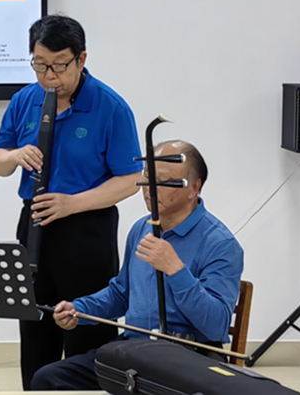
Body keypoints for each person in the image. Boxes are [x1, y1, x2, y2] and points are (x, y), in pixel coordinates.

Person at [0, 14, 143, 389]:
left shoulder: (110, 106)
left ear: (81, 59)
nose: (49, 77)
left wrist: (72, 204)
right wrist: (15, 156)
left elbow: (130, 180)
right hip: (34, 226)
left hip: (87, 228)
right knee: (35, 330)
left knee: (87, 332)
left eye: (59, 66)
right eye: (40, 65)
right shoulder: (25, 99)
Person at [32, 140, 244, 390]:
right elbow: (121, 293)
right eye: (147, 179)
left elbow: (216, 325)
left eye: (163, 181)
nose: (150, 190)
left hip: (190, 355)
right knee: (49, 378)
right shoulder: (142, 228)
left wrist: (175, 270)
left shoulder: (220, 243)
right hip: (135, 349)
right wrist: (79, 309)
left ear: (194, 188)